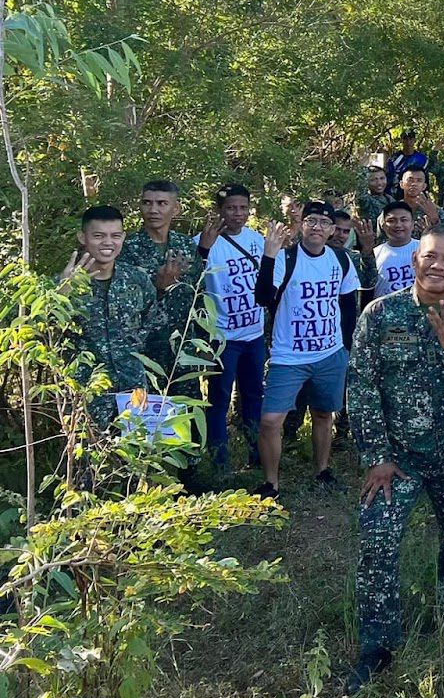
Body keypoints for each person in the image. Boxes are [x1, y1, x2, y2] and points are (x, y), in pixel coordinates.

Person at [343, 228, 444, 694]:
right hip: (397, 461)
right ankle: (378, 647)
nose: (439, 266)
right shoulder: (380, 313)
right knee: (377, 545)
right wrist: (376, 456)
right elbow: (363, 386)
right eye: (431, 257)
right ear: (415, 259)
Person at [253, 201, 361, 498]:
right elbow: (263, 297)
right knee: (270, 421)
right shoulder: (285, 259)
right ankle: (270, 484)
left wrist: (346, 348)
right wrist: (268, 255)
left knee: (324, 413)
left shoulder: (340, 260)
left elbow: (348, 305)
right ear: (301, 224)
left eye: (324, 223)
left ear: (331, 230)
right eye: (311, 221)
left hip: (330, 354)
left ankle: (322, 470)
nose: (317, 227)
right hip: (289, 357)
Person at [60, 205, 160, 429]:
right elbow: (44, 336)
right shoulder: (62, 286)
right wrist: (61, 297)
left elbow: (152, 321)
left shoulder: (136, 280)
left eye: (115, 236)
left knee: (136, 458)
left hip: (132, 388)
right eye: (98, 236)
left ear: (123, 237)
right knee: (87, 461)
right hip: (86, 393)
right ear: (82, 237)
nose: (108, 243)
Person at [195, 184, 267, 471]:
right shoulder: (204, 242)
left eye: (242, 208)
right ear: (219, 211)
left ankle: (257, 454)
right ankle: (219, 461)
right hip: (222, 337)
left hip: (254, 332)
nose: (237, 214)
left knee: (253, 394)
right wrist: (203, 248)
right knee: (218, 398)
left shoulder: (257, 240)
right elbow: (192, 281)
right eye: (230, 208)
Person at [121, 179, 202, 370]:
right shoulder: (127, 249)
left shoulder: (185, 245)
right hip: (144, 351)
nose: (153, 210)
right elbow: (123, 305)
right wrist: (157, 288)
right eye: (147, 203)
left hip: (183, 349)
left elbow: (200, 293)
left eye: (162, 203)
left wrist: (205, 341)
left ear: (176, 209)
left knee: (186, 400)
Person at [373, 202, 419, 297]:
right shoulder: (375, 254)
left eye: (404, 220)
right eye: (391, 220)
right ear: (384, 226)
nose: (398, 225)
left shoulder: (425, 249)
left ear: (412, 224)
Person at [384, 129, 429, 195]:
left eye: (411, 139)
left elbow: (425, 179)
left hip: (416, 194)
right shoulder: (394, 158)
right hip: (396, 194)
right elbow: (388, 177)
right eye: (405, 139)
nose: (408, 142)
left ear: (414, 140)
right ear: (402, 140)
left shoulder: (422, 159)